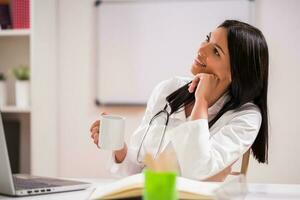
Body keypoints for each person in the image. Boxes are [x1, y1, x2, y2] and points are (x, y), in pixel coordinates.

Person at [89, 20, 269, 181]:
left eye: (215, 51)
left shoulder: (247, 117)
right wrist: (118, 145)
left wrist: (202, 101)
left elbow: (198, 171)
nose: (201, 50)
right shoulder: (168, 89)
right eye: (207, 39)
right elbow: (136, 170)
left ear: (237, 73)